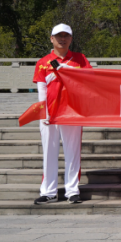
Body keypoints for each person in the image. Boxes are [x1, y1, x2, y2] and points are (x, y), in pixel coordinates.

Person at [32, 24, 90, 205]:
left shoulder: (80, 59)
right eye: (58, 36)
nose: (62, 39)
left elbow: (90, 81)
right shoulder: (43, 62)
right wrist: (44, 113)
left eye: (66, 36)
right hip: (49, 113)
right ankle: (48, 191)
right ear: (51, 39)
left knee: (72, 151)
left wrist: (70, 72)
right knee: (49, 152)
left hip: (72, 111)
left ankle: (72, 191)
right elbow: (41, 89)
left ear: (71, 39)